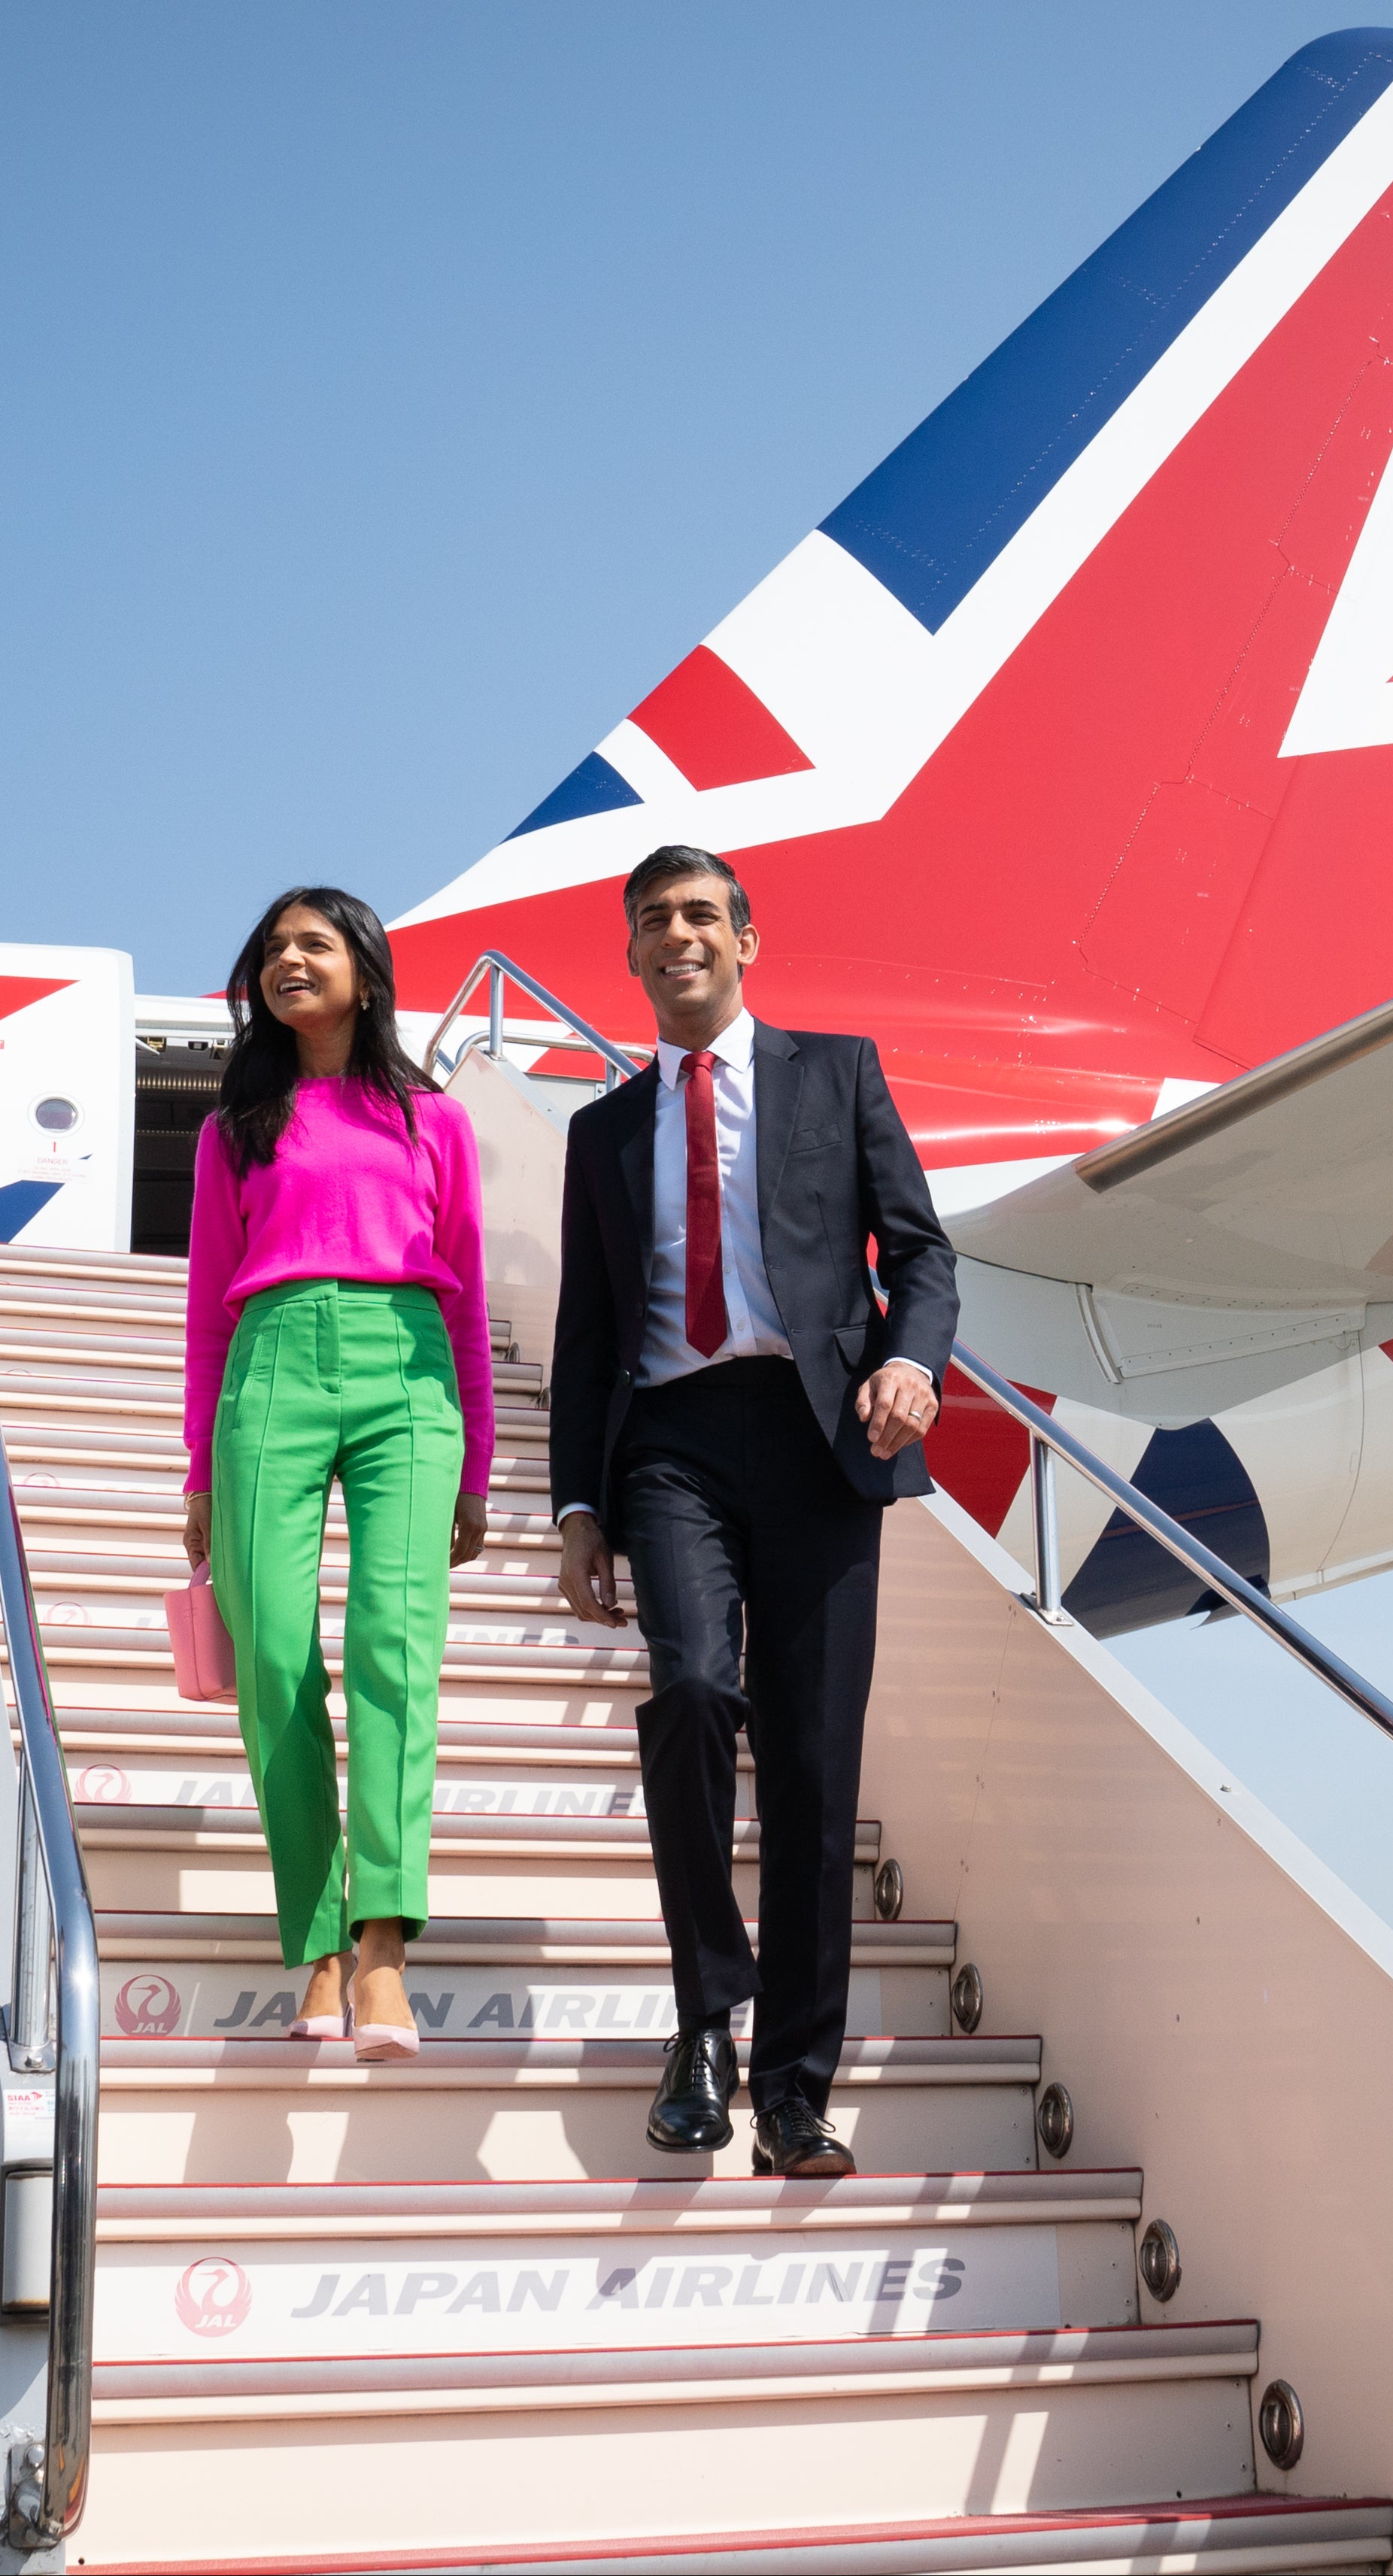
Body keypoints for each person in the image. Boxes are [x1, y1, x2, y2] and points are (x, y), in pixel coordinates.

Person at [549, 845, 957, 2177]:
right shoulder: (599, 1130)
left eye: (700, 915)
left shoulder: (834, 1074)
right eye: (652, 921)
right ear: (630, 955)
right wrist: (575, 1506)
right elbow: (585, 1326)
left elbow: (923, 1251)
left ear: (746, 940)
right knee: (687, 1691)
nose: (678, 936)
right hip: (668, 1442)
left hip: (819, 1434)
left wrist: (911, 1358)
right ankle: (702, 2025)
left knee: (813, 1775)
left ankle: (792, 2089)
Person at [181, 887, 495, 2060]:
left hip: (410, 1375)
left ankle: (381, 1951)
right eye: (272, 948)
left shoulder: (434, 1119)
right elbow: (207, 1304)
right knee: (270, 1659)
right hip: (267, 1365)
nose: (287, 960)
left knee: (394, 1650)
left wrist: (477, 1460)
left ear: (366, 967)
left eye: (313, 943)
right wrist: (199, 1470)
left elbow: (462, 1289)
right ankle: (310, 1941)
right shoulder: (234, 1130)